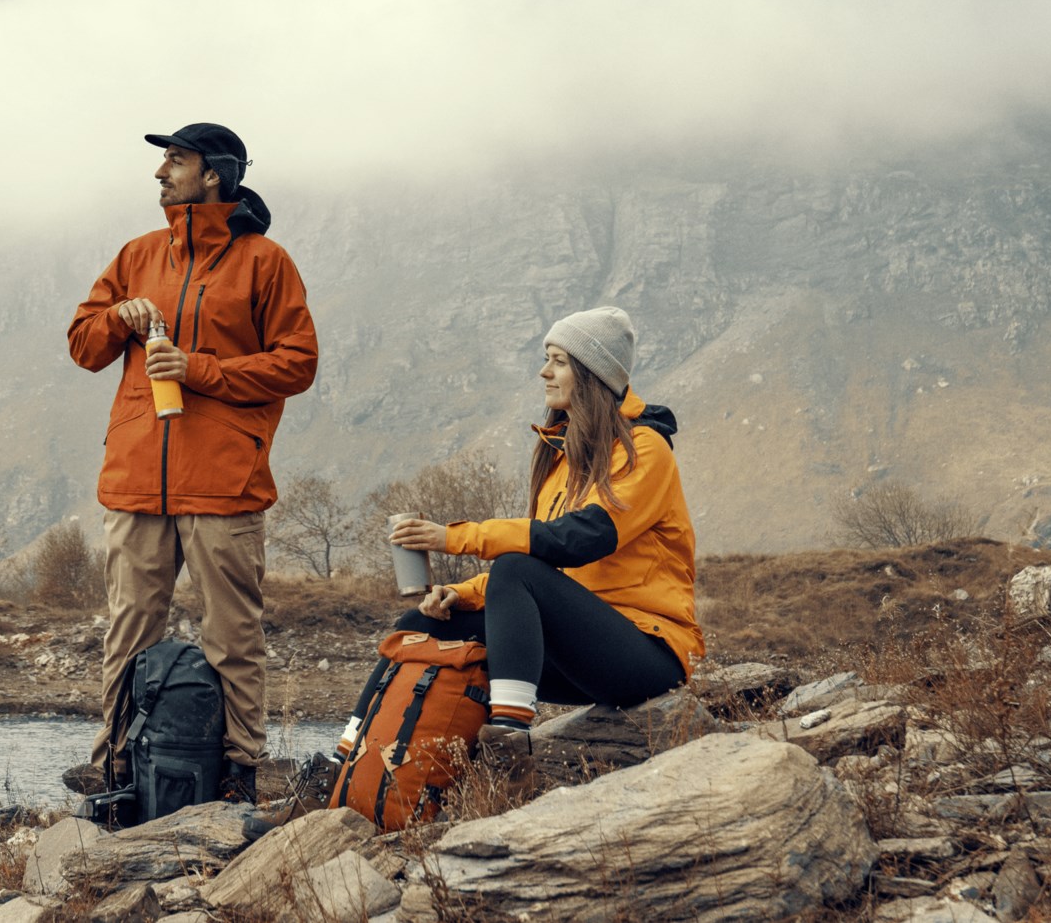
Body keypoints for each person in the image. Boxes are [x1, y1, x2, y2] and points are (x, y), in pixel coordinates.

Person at [249, 305, 697, 836]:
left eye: (557, 361)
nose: (544, 372)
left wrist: (452, 537)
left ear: (593, 373)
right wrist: (459, 594)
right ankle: (338, 773)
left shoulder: (645, 449)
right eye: (545, 360)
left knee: (514, 567)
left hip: (647, 652)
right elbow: (536, 573)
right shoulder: (562, 457)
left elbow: (578, 541)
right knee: (422, 625)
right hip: (580, 648)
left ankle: (508, 764)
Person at [64, 123, 319, 803]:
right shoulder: (137, 255)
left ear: (214, 174)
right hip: (137, 480)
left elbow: (299, 363)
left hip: (224, 483)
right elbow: (83, 345)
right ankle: (115, 769)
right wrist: (120, 317)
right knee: (129, 631)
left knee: (233, 635)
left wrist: (197, 370)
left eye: (174, 160)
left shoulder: (266, 262)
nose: (160, 173)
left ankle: (238, 774)